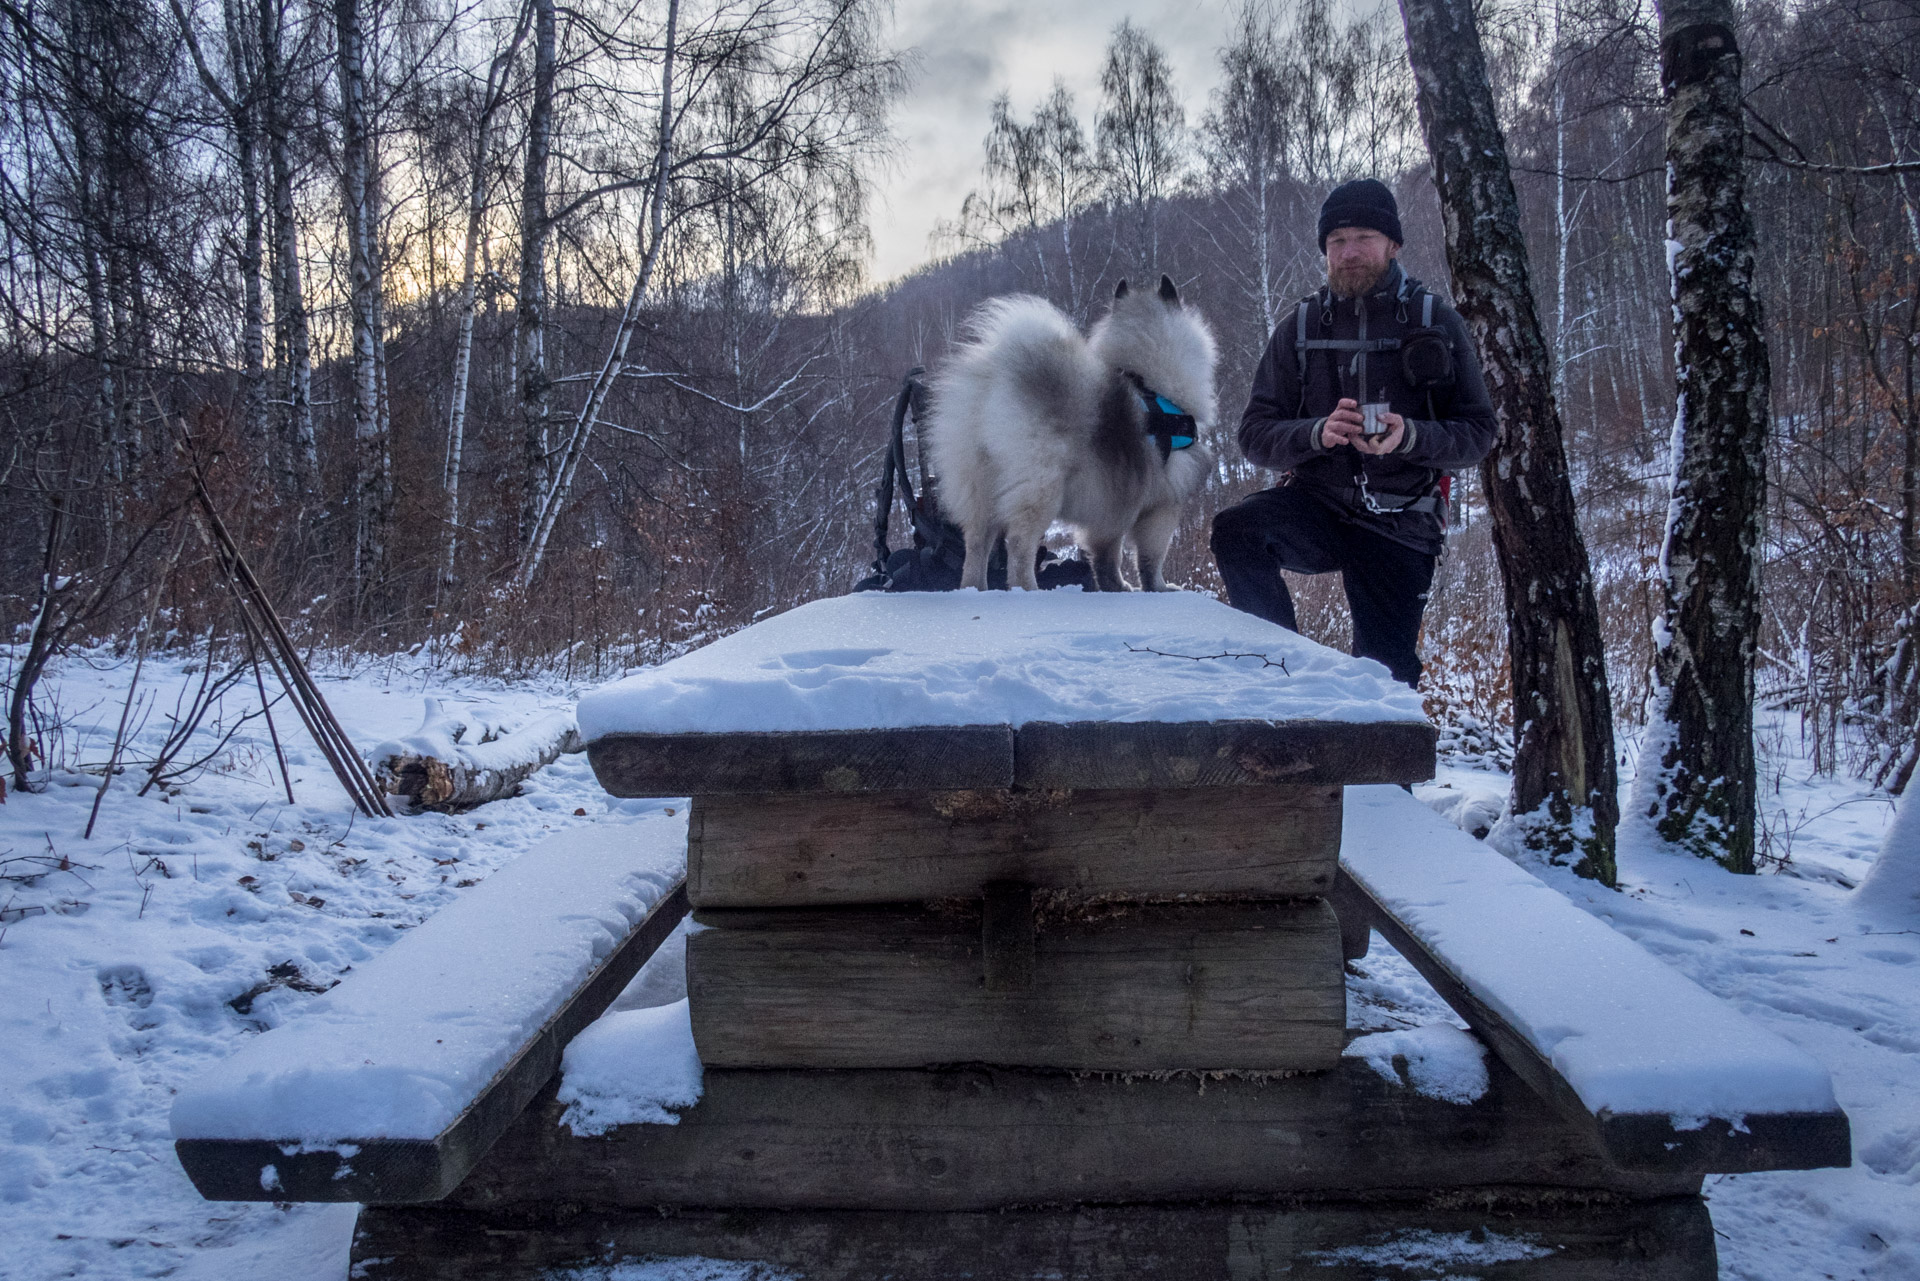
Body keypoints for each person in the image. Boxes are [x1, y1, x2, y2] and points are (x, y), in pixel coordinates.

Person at [1210, 179, 1497, 687]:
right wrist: (1316, 433)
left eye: (1363, 237)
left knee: (1385, 680)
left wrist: (1408, 436)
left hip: (1402, 520)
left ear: (1393, 244)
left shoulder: (1436, 323)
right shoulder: (1300, 327)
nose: (1348, 252)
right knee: (1237, 530)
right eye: (1336, 241)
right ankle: (1280, 674)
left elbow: (1477, 434)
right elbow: (1254, 434)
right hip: (1319, 505)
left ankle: (1387, 765)